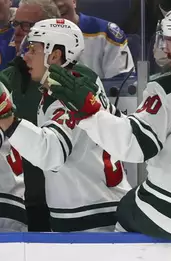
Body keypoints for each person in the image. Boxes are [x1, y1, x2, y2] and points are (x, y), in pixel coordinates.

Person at [46, 3, 171, 239]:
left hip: (170, 214)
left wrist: (90, 113)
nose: (166, 49)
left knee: (127, 207)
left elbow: (134, 146)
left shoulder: (167, 88)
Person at [0, 19, 131, 232]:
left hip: (93, 219)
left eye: (33, 49)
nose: (25, 56)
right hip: (99, 208)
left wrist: (7, 119)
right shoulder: (82, 82)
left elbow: (51, 153)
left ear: (55, 55)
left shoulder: (66, 95)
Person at [1, 0, 62, 232]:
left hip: (67, 204)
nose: (17, 32)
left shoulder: (76, 83)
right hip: (24, 205)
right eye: (16, 24)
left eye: (27, 27)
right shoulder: (7, 80)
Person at [54, 0, 135, 79]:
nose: (58, 3)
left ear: (74, 1)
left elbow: (122, 85)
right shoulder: (41, 38)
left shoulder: (107, 34)